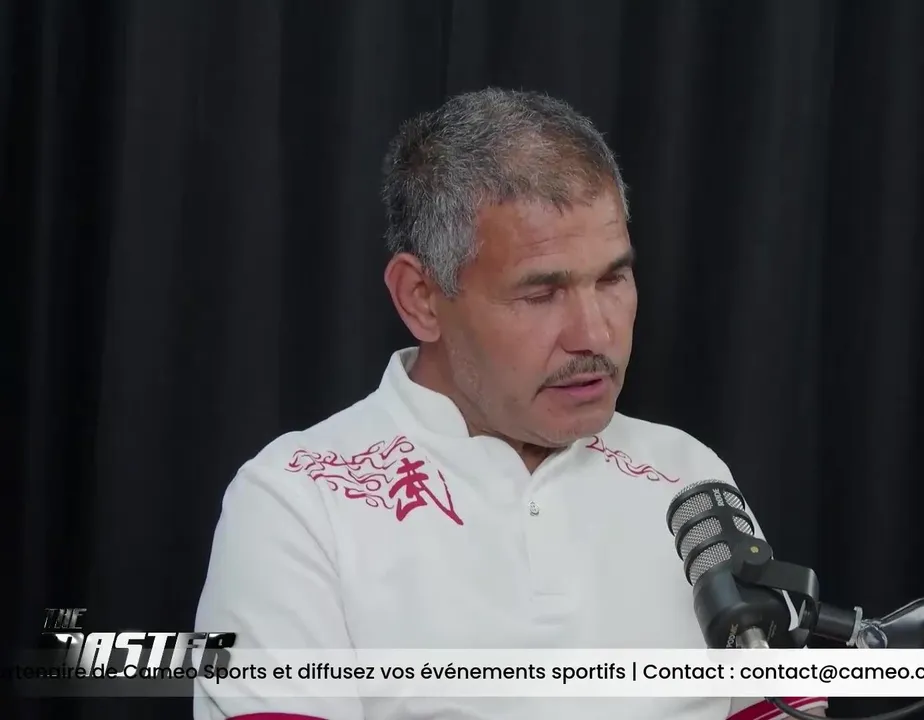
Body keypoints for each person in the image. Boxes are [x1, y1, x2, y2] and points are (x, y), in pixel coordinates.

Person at [192, 88, 827, 720]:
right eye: (541, 294)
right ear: (420, 298)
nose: (595, 335)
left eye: (612, 278)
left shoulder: (686, 475)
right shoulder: (296, 501)